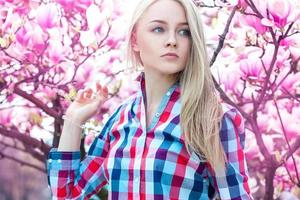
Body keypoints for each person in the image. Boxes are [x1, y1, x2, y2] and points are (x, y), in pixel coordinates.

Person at [47, 0, 253, 199]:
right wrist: (73, 120)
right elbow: (67, 195)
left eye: (184, 31)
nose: (172, 40)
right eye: (158, 29)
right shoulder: (120, 120)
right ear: (135, 40)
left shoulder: (213, 120)